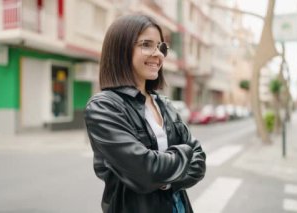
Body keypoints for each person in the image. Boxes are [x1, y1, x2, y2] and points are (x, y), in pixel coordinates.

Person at [84, 14, 206, 213]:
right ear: (121, 49)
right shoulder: (103, 107)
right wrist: (185, 154)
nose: (158, 54)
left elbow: (199, 162)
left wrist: (163, 179)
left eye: (161, 47)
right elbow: (145, 171)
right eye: (147, 44)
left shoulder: (164, 104)